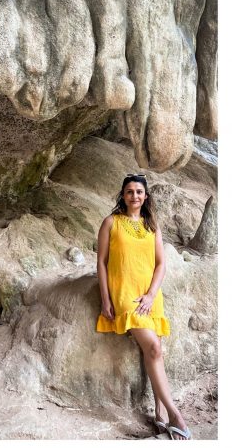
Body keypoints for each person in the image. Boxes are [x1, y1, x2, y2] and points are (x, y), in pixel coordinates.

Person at [95, 174, 190, 440]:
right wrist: (105, 298)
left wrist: (150, 294)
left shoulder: (152, 226)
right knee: (154, 347)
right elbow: (101, 262)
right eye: (129, 192)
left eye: (139, 192)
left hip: (150, 297)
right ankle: (176, 415)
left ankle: (160, 414)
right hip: (125, 294)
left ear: (145, 196)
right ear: (122, 196)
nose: (134, 196)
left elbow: (161, 264)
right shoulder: (111, 223)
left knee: (155, 350)